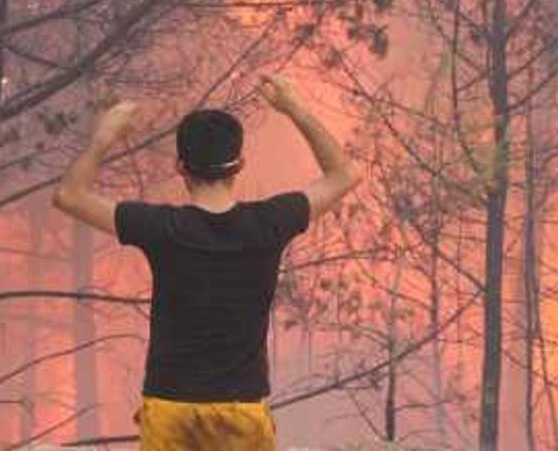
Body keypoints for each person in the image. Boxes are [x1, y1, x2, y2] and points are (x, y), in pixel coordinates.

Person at [52, 74, 363, 450]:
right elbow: (346, 174)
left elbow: (69, 195)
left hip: (170, 408)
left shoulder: (161, 227)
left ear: (181, 166)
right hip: (240, 411)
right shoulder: (270, 222)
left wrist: (103, 139)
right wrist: (295, 109)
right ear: (240, 164)